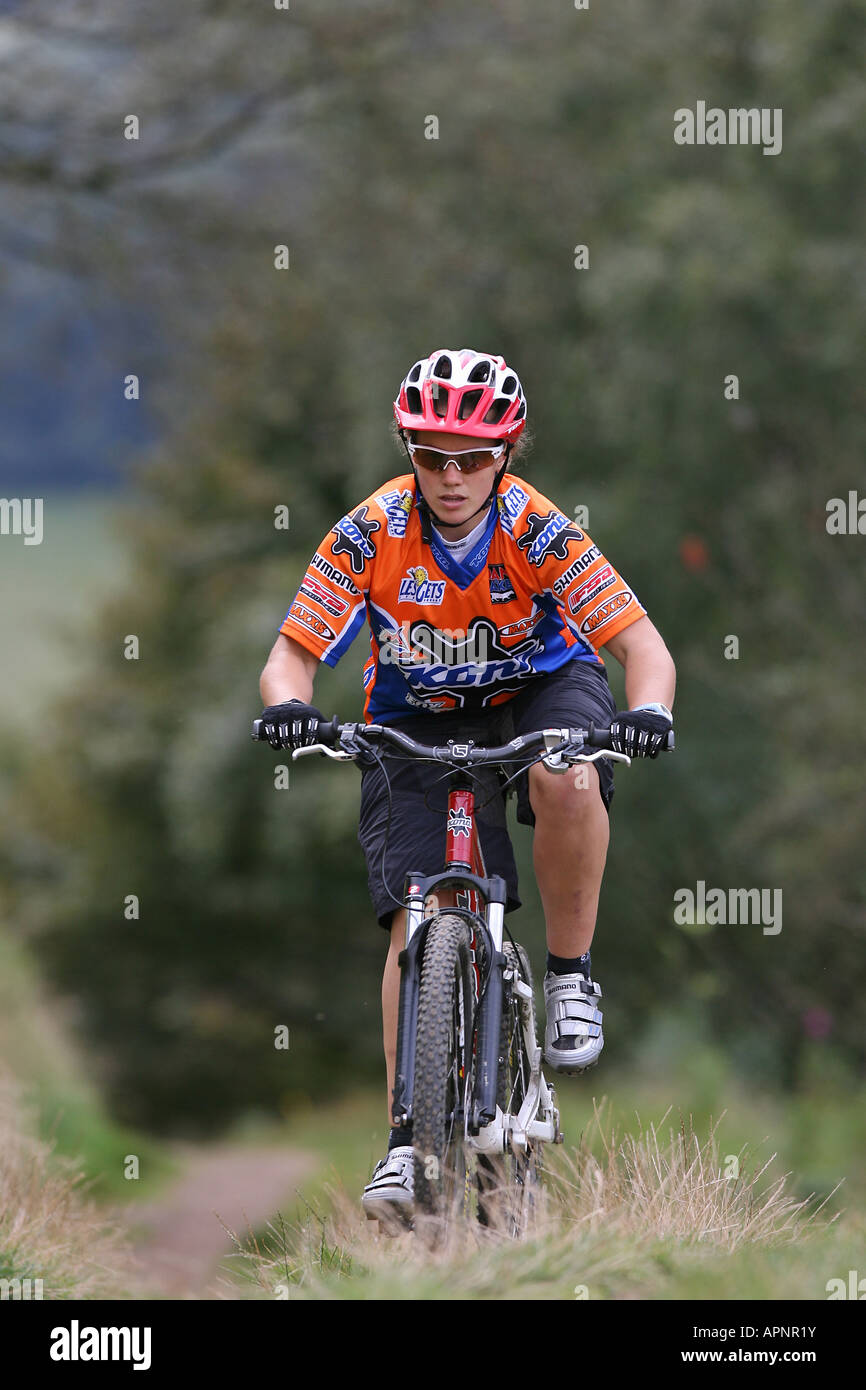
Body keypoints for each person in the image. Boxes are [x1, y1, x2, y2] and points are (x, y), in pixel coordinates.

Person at [258, 347, 675, 1220]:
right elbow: (292, 654)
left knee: (566, 783)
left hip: (541, 689)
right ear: (408, 449)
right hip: (416, 714)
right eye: (431, 455)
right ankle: (406, 1145)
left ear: (506, 455)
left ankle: (570, 976)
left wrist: (649, 713)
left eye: (473, 459)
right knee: (418, 914)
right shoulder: (371, 532)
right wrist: (290, 708)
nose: (451, 476)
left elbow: (643, 648)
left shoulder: (537, 529)